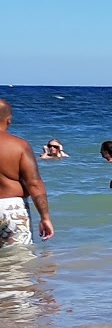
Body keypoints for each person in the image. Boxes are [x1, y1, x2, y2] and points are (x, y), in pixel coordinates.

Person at [0, 98, 55, 244]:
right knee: (18, 260)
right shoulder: (19, 146)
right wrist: (45, 217)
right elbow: (34, 183)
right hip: (11, 209)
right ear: (9, 120)